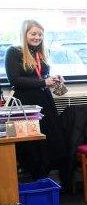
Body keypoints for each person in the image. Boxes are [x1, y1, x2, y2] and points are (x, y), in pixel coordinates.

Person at [4, 20, 67, 180]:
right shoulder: (14, 52)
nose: (37, 37)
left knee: (48, 140)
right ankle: (31, 180)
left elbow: (41, 75)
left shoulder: (40, 53)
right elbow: (15, 80)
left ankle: (44, 179)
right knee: (30, 145)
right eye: (33, 34)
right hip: (24, 105)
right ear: (24, 34)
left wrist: (52, 78)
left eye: (40, 34)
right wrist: (43, 82)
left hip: (44, 102)